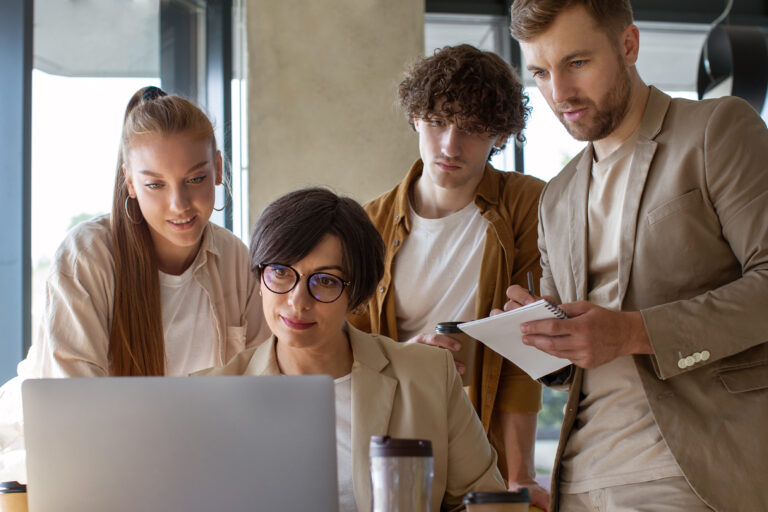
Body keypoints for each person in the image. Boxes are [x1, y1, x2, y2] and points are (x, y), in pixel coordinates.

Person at [504, 1, 768, 510]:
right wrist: (539, 335)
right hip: (577, 479)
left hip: (691, 475)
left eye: (577, 63)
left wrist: (632, 332)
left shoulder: (716, 130)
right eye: (540, 73)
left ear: (629, 45)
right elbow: (569, 368)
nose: (559, 93)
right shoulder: (556, 197)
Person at [0, 86, 270, 482]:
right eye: (155, 184)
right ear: (129, 181)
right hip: (53, 465)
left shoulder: (235, 260)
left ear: (217, 169)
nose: (179, 204)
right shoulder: (87, 256)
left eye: (195, 178)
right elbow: (78, 410)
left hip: (182, 468)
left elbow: (262, 392)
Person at [198, 187, 507, 511]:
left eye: (325, 281)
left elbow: (486, 501)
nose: (298, 302)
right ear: (260, 279)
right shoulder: (210, 397)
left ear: (356, 296)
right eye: (280, 272)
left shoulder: (428, 376)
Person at [347, 44, 549, 508]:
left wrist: (520, 473)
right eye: (438, 121)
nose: (450, 146)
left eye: (472, 129)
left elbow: (526, 345)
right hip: (393, 440)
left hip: (483, 441)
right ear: (415, 118)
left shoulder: (527, 205)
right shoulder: (369, 223)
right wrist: (404, 357)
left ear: (500, 134)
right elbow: (343, 349)